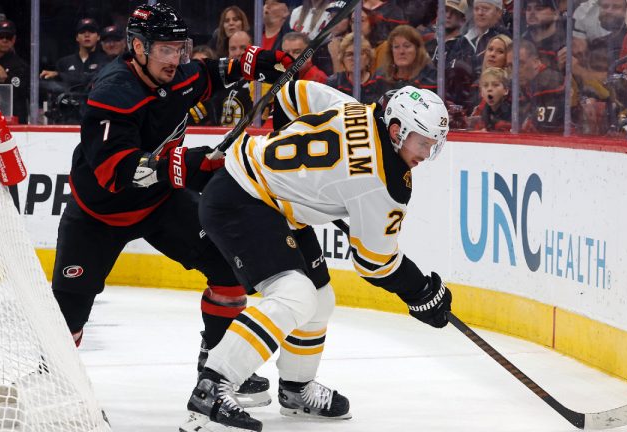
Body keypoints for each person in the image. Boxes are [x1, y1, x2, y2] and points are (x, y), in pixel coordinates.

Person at [178, 46, 452, 432]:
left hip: (261, 191)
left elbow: (290, 97)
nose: (427, 153)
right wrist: (421, 292)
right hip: (242, 201)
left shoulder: (357, 108)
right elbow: (375, 264)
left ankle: (296, 389)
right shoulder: (382, 184)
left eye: (434, 144)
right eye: (423, 143)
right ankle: (214, 384)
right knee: (294, 295)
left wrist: (289, 169)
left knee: (320, 299)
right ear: (397, 131)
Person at [50, 3, 277, 408]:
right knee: (67, 314)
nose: (176, 60)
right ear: (137, 47)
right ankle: (50, 382)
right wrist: (188, 164)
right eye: (165, 50)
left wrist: (256, 62)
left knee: (228, 269)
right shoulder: (111, 92)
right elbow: (115, 173)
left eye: (180, 49)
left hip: (159, 204)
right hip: (98, 215)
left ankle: (217, 366)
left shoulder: (179, 73)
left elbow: (212, 73)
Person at [39, 18, 111, 123]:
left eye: (91, 31)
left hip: (95, 118)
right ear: (77, 37)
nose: (87, 35)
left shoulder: (105, 61)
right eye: (82, 32)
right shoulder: (64, 63)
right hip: (67, 118)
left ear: (98, 37)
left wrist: (60, 75)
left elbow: (91, 79)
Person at [189, 31, 254, 126]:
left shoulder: (262, 82)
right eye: (233, 48)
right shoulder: (218, 82)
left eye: (243, 48)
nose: (238, 53)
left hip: (254, 138)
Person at [0, 19, 29, 123]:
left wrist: (4, 80)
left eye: (9, 37)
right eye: (1, 36)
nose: (5, 40)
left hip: (12, 123)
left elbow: (17, 93)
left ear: (14, 39)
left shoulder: (21, 66)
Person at [326, 32, 386, 103]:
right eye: (349, 54)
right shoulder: (334, 83)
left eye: (359, 53)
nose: (354, 58)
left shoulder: (381, 83)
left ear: (368, 58)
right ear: (343, 59)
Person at [375, 25, 437, 92]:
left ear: (417, 50)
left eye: (407, 46)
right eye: (396, 47)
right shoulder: (380, 77)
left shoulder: (430, 79)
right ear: (391, 52)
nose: (401, 51)